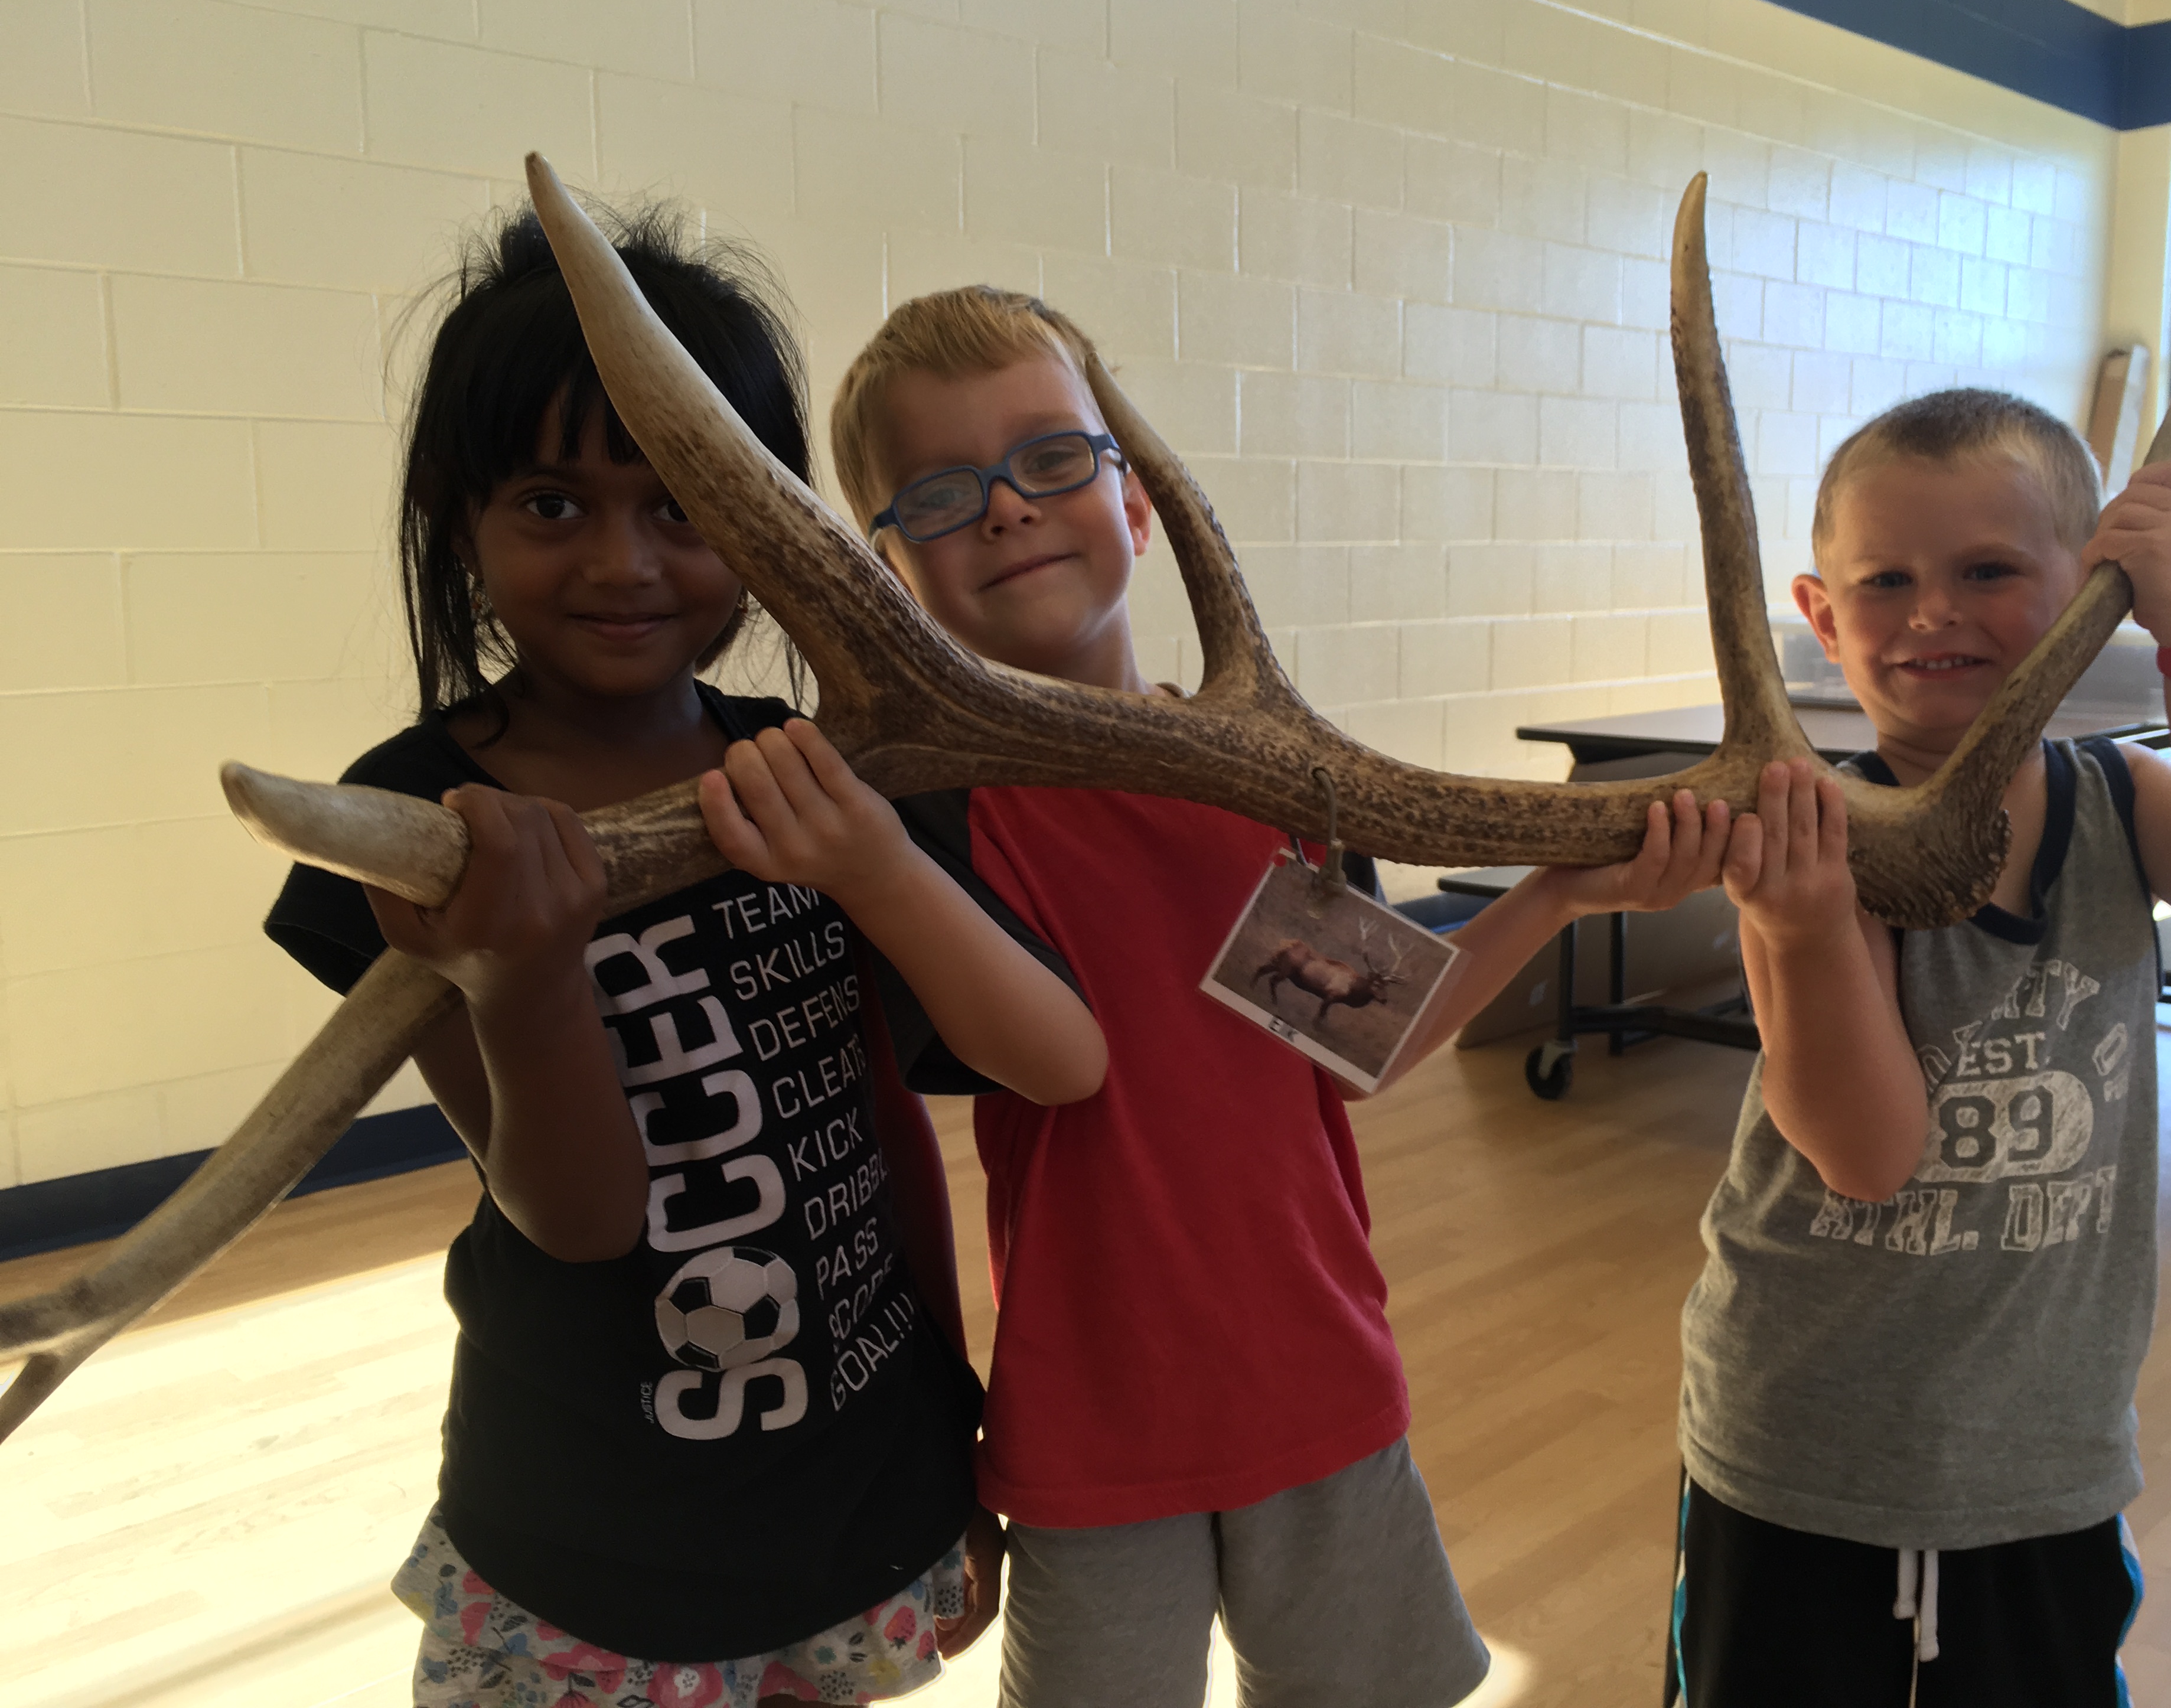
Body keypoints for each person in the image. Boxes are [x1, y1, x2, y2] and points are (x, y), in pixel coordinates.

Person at [827, 285, 1734, 1708]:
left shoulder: (1275, 778)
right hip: (1091, 1421)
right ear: (891, 569)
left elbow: (1359, 1044)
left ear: (1137, 507)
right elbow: (1058, 1066)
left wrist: (1554, 896)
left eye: (1053, 458)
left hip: (1319, 1383)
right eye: (942, 494)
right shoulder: (927, 824)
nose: (1006, 509)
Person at [263, 209, 1107, 1708]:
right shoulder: (420, 825)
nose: (625, 562)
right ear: (458, 518)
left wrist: (947, 1417)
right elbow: (579, 1220)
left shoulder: (806, 778)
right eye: (551, 502)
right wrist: (526, 977)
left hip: (860, 1494)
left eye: (682, 505)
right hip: (593, 1550)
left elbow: (883, 1133)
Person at [1667, 390, 2171, 1705]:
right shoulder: (1810, 843)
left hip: (2045, 1454)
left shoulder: (2119, 799)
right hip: (1804, 1447)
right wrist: (1803, 928)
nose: (1931, 613)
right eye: (1886, 581)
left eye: (1988, 571)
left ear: (2090, 591)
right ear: (1821, 616)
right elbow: (1867, 1155)